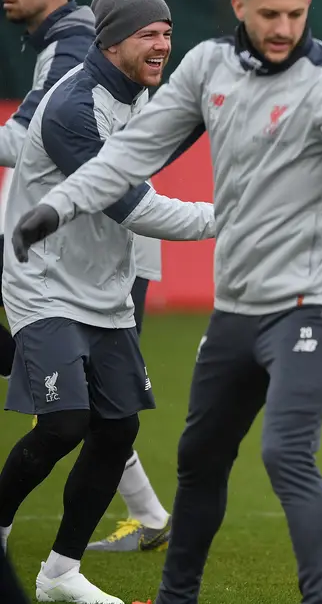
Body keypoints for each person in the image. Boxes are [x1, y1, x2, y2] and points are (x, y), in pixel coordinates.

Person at [9, 0, 322, 604]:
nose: (282, 29)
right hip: (221, 308)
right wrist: (58, 204)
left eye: (295, 15)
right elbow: (132, 161)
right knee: (193, 460)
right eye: (268, 13)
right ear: (240, 6)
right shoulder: (202, 69)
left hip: (306, 301)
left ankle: (319, 601)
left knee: (284, 456)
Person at [0, 0, 215, 604]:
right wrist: (229, 217)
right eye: (149, 33)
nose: (162, 45)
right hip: (44, 285)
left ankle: (60, 574)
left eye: (169, 32)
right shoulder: (73, 108)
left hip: (106, 292)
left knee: (117, 432)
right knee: (66, 423)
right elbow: (132, 207)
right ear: (112, 39)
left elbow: (183, 129)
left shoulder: (143, 93)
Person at [0, 0, 94, 379]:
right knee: (92, 416)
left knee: (90, 413)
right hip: (65, 236)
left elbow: (24, 143)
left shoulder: (72, 45)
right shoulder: (67, 39)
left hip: (86, 242)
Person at [86, 233, 174, 553]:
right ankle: (149, 515)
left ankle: (150, 516)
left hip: (113, 255)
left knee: (96, 399)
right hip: (84, 258)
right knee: (88, 401)